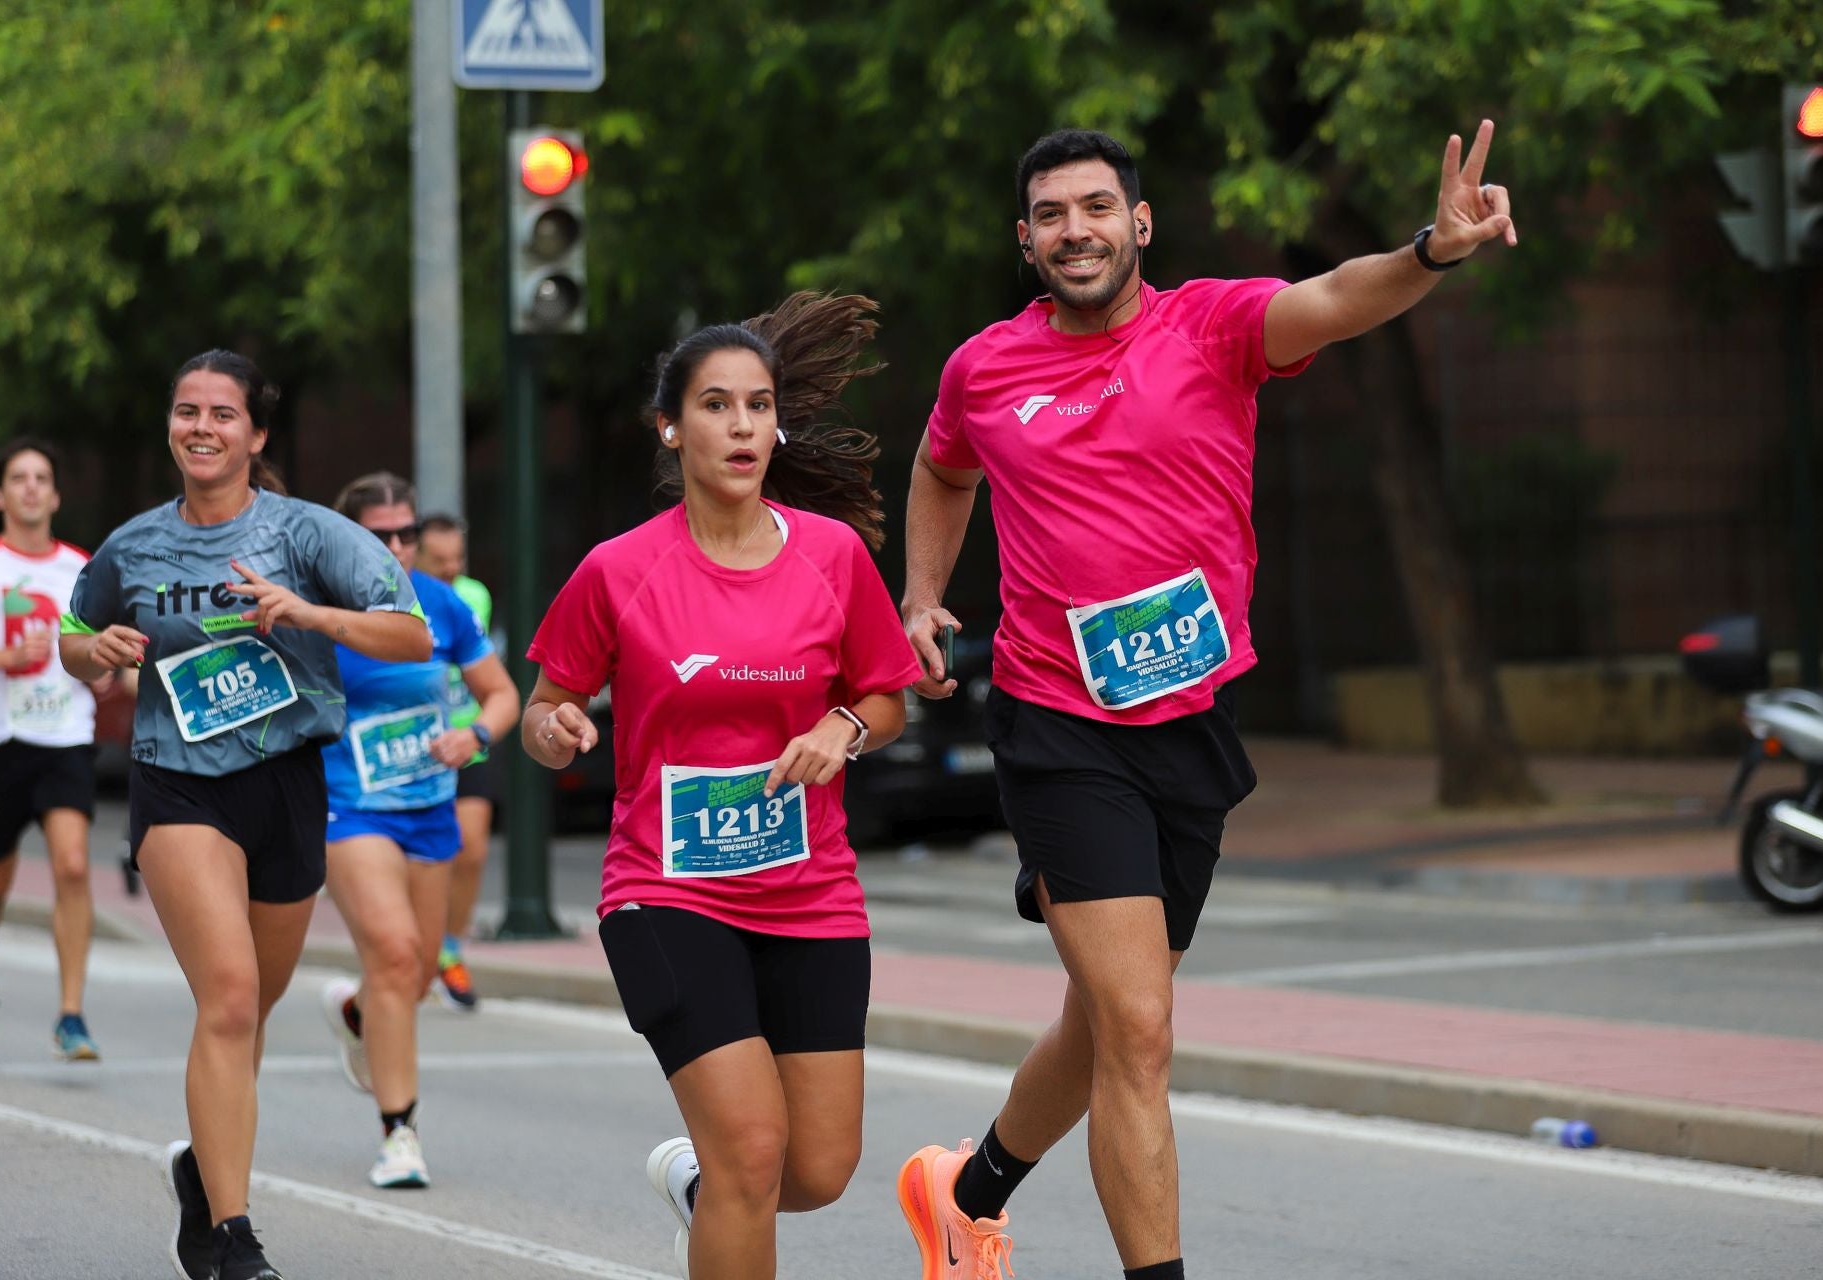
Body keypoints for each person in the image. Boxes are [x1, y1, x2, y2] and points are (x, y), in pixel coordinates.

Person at [897, 124, 1517, 1280]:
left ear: (1138, 223)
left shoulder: (1216, 325)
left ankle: (962, 1187)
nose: (1073, 229)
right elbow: (943, 469)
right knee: (1139, 1026)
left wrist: (1433, 250)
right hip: (1056, 717)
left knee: (1105, 1020)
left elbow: (1335, 295)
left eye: (1095, 207)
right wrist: (922, 594)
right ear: (1024, 241)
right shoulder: (984, 367)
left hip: (1189, 720)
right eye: (1050, 215)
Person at [523, 292, 920, 1280]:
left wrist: (845, 724)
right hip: (667, 889)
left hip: (810, 889)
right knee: (751, 1150)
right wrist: (556, 726)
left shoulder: (832, 556)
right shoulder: (619, 571)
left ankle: (704, 1197)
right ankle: (725, 1190)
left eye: (758, 405)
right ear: (672, 426)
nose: (742, 426)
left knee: (818, 1167)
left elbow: (886, 695)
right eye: (715, 405)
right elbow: (543, 707)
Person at [59, 350, 431, 1280]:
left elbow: (411, 631)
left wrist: (308, 614)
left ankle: (200, 1170)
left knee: (251, 1010)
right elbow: (74, 636)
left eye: (222, 415)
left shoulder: (308, 533)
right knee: (227, 997)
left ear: (256, 434)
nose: (202, 428)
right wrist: (92, 648)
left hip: (288, 783)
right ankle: (232, 1238)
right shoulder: (132, 546)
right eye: (187, 411)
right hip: (178, 783)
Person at [316, 473, 518, 1187]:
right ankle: (398, 1131)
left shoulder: (440, 605)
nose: (399, 546)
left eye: (406, 532)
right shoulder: (319, 609)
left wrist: (476, 738)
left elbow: (500, 695)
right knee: (398, 953)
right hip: (349, 807)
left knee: (419, 967)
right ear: (349, 539)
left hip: (429, 805)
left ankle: (355, 1009)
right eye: (382, 534)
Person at [0, 438, 107, 1062]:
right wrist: (1, 658)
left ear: (56, 495)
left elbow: (102, 648)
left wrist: (117, 668)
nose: (30, 487)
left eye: (41, 477)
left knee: (72, 864)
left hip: (65, 734)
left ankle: (71, 1013)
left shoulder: (84, 567)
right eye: (17, 477)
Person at [414, 512, 496, 1010]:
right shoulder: (398, 597)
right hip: (414, 744)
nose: (450, 569)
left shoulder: (475, 595)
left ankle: (449, 948)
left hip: (467, 736)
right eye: (439, 560)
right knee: (419, 857)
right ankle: (415, 949)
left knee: (472, 851)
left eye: (457, 559)